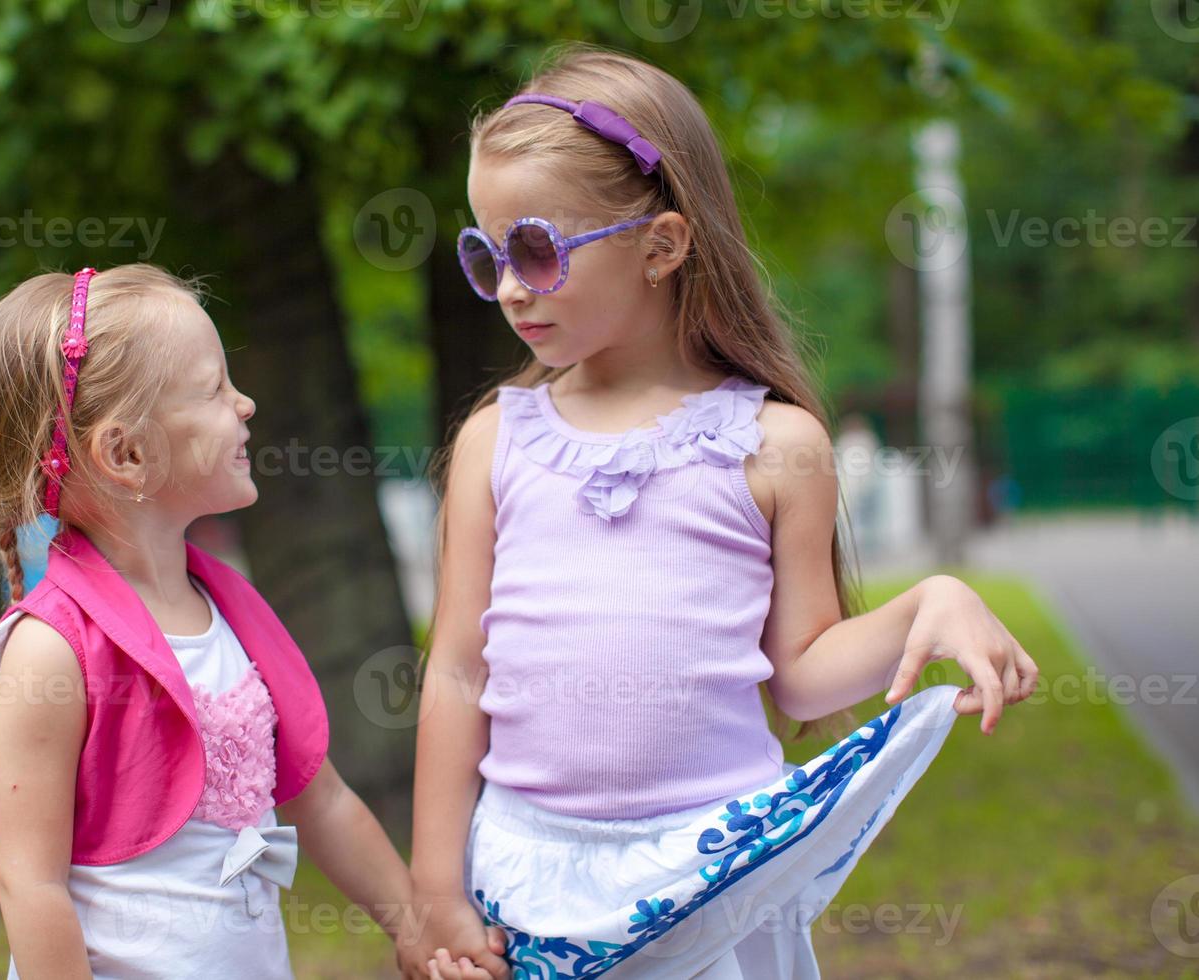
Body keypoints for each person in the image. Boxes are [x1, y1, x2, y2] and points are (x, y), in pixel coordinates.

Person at [410, 46, 1039, 980]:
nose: (507, 285)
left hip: (716, 876)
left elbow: (803, 676)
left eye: (536, 251)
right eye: (487, 253)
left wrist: (928, 605)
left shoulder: (776, 445)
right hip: (528, 879)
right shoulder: (494, 443)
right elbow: (459, 669)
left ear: (661, 246)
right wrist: (434, 888)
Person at [0, 264, 507, 979]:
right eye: (213, 390)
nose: (244, 405)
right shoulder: (51, 652)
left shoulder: (229, 611)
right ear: (126, 454)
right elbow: (31, 884)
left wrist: (415, 928)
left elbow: (321, 797)